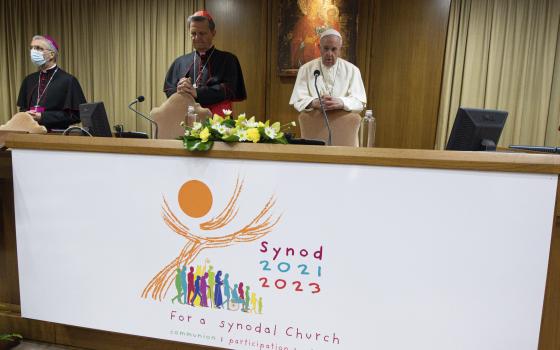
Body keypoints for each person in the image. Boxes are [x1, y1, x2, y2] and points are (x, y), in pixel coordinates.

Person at [289, 29, 367, 146]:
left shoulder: (352, 70)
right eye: (326, 48)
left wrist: (341, 102)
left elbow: (360, 102)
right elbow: (298, 99)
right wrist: (313, 102)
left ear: (340, 49)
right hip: (314, 131)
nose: (329, 54)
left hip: (344, 132)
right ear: (319, 47)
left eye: (334, 49)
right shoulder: (306, 69)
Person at [163, 10, 246, 115]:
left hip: (217, 120)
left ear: (213, 33)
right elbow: (169, 89)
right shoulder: (180, 62)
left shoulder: (228, 60)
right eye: (193, 33)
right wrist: (180, 90)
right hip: (186, 118)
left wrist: (197, 92)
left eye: (202, 33)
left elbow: (229, 89)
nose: (197, 38)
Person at [17, 35, 86, 131]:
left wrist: (43, 117)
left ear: (52, 55)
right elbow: (23, 109)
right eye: (31, 48)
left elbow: (75, 116)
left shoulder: (68, 80)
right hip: (30, 134)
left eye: (38, 48)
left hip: (55, 135)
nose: (33, 51)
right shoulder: (29, 80)